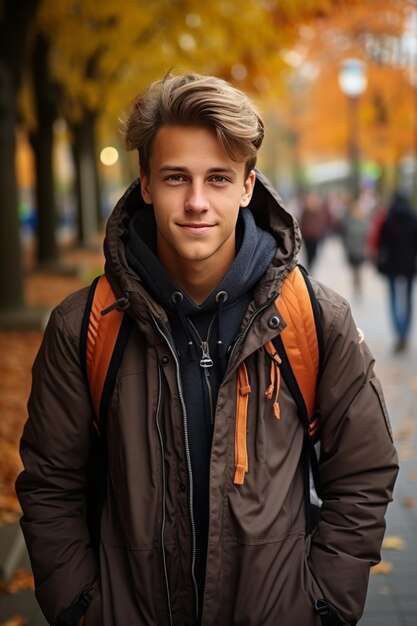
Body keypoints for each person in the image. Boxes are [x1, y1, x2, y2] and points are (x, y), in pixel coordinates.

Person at [16, 73, 398, 626]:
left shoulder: (314, 317)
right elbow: (50, 484)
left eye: (218, 178)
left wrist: (324, 606)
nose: (197, 202)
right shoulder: (85, 325)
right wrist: (81, 608)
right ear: (145, 183)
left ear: (247, 186)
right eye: (177, 177)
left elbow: (364, 471)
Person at [377, 192, 417, 353]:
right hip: (409, 266)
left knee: (393, 299)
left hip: (392, 266)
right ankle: (405, 332)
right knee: (408, 300)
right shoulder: (414, 220)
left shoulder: (388, 221)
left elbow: (382, 245)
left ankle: (398, 331)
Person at [340, 197, 369, 298]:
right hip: (352, 249)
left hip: (361, 249)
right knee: (354, 269)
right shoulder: (349, 220)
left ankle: (359, 287)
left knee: (359, 269)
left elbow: (368, 235)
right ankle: (355, 286)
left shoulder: (364, 222)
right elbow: (345, 234)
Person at [298, 190, 331, 270]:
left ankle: (311, 265)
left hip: (315, 236)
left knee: (314, 253)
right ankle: (309, 265)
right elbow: (302, 222)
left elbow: (322, 221)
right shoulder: (305, 211)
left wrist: (321, 230)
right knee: (308, 253)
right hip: (307, 236)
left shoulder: (318, 210)